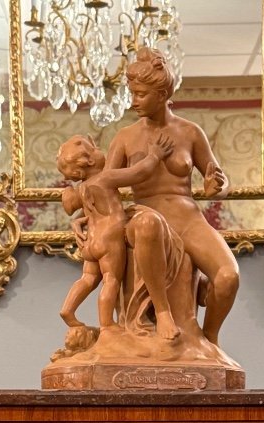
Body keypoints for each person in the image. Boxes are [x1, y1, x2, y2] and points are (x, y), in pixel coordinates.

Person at [105, 47, 240, 346]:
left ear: (162, 93)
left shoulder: (190, 133)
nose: (134, 101)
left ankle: (210, 339)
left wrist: (215, 183)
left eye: (141, 94)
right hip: (145, 215)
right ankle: (163, 312)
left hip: (187, 217)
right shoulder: (125, 137)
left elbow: (220, 178)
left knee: (228, 277)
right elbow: (105, 184)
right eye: (132, 92)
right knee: (147, 224)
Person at [56, 131, 182, 340]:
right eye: (95, 150)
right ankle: (107, 324)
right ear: (88, 161)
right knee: (111, 279)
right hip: (109, 238)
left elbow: (80, 209)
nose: (99, 150)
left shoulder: (84, 188)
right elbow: (138, 173)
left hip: (91, 240)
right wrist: (155, 155)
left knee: (87, 279)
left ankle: (68, 310)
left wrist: (76, 219)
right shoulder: (106, 177)